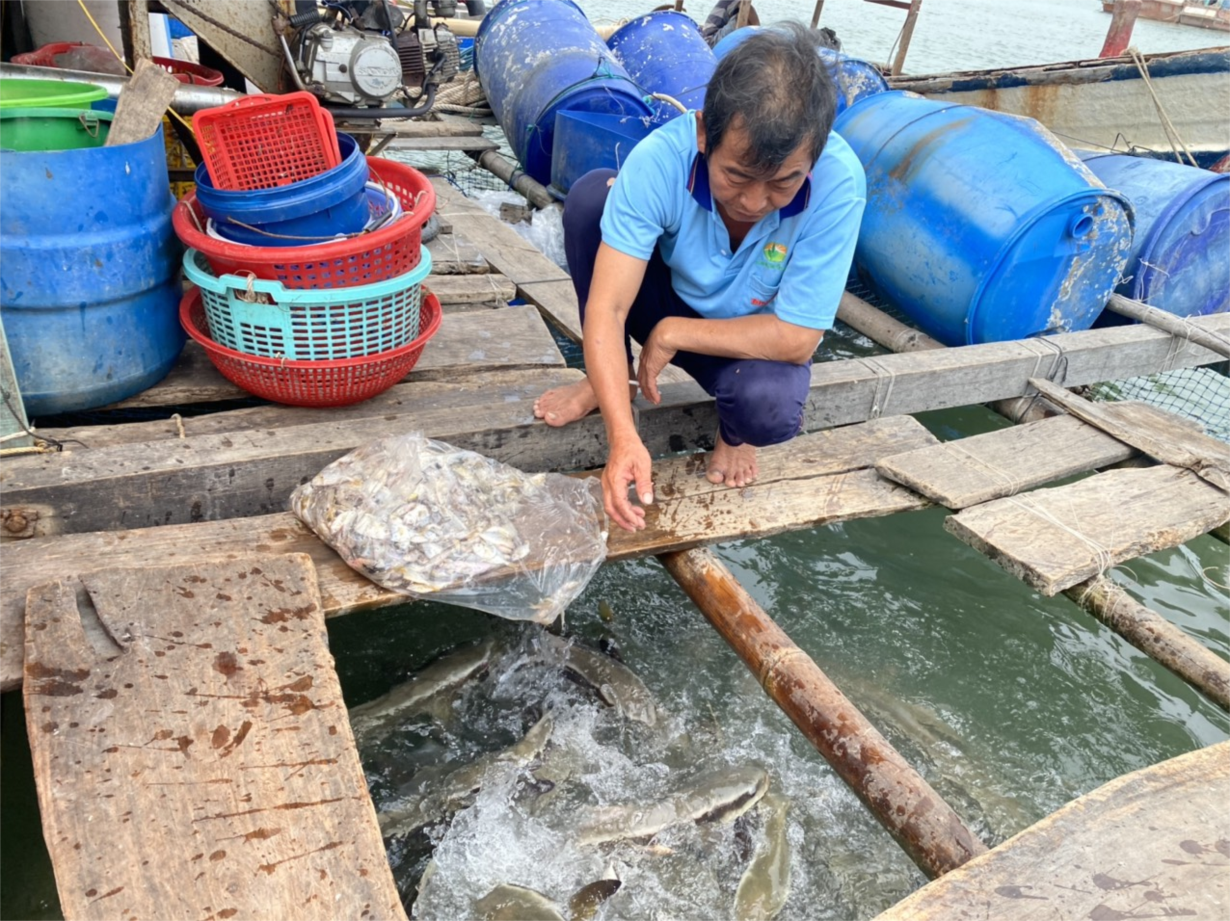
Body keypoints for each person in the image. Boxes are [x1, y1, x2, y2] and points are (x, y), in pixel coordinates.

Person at [533, 23, 867, 533]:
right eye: (735, 175)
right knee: (590, 200)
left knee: (769, 409)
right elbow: (609, 308)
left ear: (816, 153)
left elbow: (798, 338)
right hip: (665, 298)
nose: (754, 203)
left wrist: (674, 333)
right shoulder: (659, 161)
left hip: (745, 337)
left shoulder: (840, 183)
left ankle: (733, 432)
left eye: (782, 183)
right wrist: (623, 438)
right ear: (705, 133)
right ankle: (606, 379)